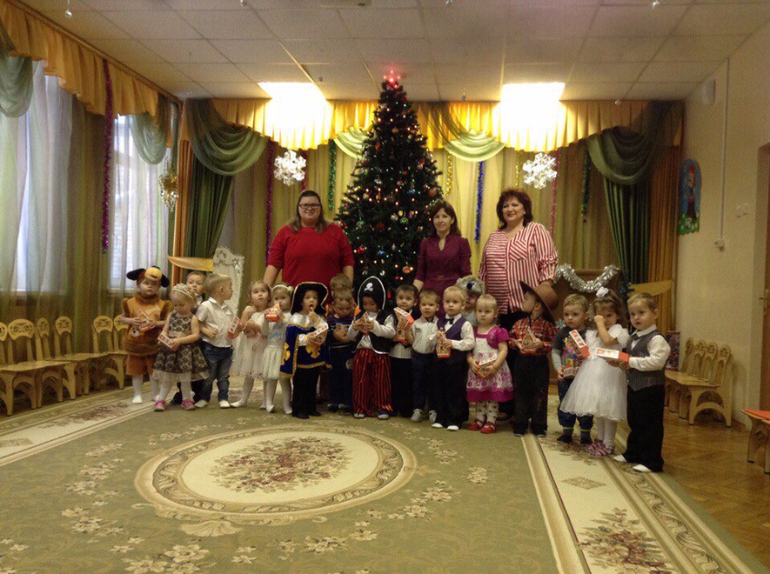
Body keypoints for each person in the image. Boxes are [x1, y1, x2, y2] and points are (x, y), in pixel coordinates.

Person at [479, 189, 557, 417]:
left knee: (526, 362)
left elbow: (548, 263)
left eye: (515, 204)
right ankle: (506, 406)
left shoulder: (536, 230)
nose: (510, 209)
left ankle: (527, 411)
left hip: (527, 308)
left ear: (525, 209)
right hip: (498, 309)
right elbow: (483, 270)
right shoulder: (494, 236)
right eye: (505, 206)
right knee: (504, 358)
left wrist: (542, 296)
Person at [561, 290, 630, 456]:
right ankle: (600, 439)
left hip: (610, 373)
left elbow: (607, 341)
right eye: (601, 316)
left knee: (609, 411)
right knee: (599, 410)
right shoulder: (592, 333)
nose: (605, 320)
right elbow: (589, 353)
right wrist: (579, 348)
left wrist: (599, 323)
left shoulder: (619, 331)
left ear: (617, 315)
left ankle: (609, 443)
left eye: (609, 315)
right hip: (592, 374)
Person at [614, 293, 671, 473]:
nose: (636, 317)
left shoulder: (656, 339)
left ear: (655, 313)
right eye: (632, 314)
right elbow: (631, 359)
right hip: (634, 386)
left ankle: (652, 461)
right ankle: (633, 453)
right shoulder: (634, 336)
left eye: (641, 312)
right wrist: (619, 361)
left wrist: (630, 361)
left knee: (650, 425)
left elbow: (656, 362)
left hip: (651, 388)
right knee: (635, 421)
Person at [264, 190, 354, 290]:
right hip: (293, 297)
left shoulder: (336, 232)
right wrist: (265, 292)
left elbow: (347, 263)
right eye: (305, 205)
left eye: (314, 205)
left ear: (320, 208)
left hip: (329, 297)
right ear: (298, 208)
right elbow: (274, 265)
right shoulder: (284, 233)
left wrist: (347, 291)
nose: (309, 208)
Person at [509, 282, 558, 437]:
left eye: (526, 299)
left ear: (537, 306)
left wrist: (542, 344)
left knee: (540, 394)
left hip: (539, 363)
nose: (522, 301)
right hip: (522, 362)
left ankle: (539, 425)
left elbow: (554, 344)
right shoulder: (519, 323)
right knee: (520, 392)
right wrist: (515, 343)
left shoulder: (547, 326)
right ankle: (520, 422)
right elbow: (510, 339)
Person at [151, 284, 208, 412]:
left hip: (185, 353)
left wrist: (179, 340)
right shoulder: (171, 316)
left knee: (185, 379)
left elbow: (195, 336)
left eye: (182, 305)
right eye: (175, 305)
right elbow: (165, 330)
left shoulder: (192, 319)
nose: (178, 308)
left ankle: (186, 399)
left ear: (191, 303)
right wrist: (163, 337)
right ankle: (161, 400)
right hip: (170, 352)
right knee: (167, 379)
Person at [120, 266, 172, 404]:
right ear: (138, 284)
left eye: (154, 284)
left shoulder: (163, 304)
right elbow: (122, 318)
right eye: (146, 283)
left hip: (153, 344)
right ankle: (137, 394)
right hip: (135, 344)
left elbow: (167, 322)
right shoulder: (129, 302)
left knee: (154, 372)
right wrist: (131, 320)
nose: (150, 286)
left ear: (159, 287)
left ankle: (155, 394)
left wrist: (156, 323)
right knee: (136, 372)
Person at [348, 277, 395, 420]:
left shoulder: (386, 316)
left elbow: (390, 332)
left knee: (381, 382)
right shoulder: (358, 316)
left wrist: (375, 327)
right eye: (364, 303)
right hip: (362, 353)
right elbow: (350, 336)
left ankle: (382, 407)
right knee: (360, 381)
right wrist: (354, 327)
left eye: (371, 303)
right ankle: (361, 407)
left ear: (379, 301)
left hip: (379, 354)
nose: (367, 307)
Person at [281, 282, 329, 419]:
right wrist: (306, 338)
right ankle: (299, 408)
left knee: (312, 382)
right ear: (301, 301)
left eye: (315, 297)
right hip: (301, 358)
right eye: (307, 297)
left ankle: (310, 407)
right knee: (301, 383)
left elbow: (324, 329)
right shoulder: (295, 318)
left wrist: (316, 320)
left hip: (314, 358)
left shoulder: (318, 317)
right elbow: (292, 339)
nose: (311, 300)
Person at [466, 295, 512, 435]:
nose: (483, 314)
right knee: (480, 395)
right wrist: (471, 361)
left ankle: (491, 420)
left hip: (493, 370)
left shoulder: (498, 331)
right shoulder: (473, 331)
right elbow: (469, 351)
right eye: (479, 311)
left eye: (487, 311)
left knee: (492, 396)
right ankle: (479, 418)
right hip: (478, 369)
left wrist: (495, 366)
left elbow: (503, 350)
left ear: (495, 313)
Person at [551, 294, 594, 445]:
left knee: (585, 405)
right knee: (565, 403)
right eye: (566, 314)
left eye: (575, 314)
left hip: (584, 378)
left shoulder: (590, 334)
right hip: (566, 378)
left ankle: (585, 433)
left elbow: (593, 354)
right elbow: (555, 351)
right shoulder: (562, 333)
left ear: (585, 315)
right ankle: (567, 432)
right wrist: (558, 369)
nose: (570, 318)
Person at [413, 201, 471, 304]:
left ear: (452, 219)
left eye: (445, 216)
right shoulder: (425, 243)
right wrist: (412, 296)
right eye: (436, 217)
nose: (440, 220)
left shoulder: (462, 242)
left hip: (453, 299)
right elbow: (420, 275)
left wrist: (468, 296)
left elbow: (466, 274)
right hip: (429, 299)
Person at [434, 286, 475, 431]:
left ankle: (455, 419)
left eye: (455, 302)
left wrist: (453, 343)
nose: (450, 305)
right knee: (440, 389)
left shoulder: (465, 324)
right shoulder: (438, 322)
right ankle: (441, 417)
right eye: (447, 302)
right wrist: (435, 337)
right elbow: (431, 340)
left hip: (457, 363)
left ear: (462, 305)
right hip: (440, 361)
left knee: (455, 390)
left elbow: (470, 343)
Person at [250, 283, 294, 414]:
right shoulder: (270, 313)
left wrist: (282, 317)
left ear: (290, 299)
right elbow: (264, 332)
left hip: (283, 351)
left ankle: (287, 405)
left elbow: (291, 330)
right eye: (276, 298)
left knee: (284, 380)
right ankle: (268, 402)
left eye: (283, 298)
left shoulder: (291, 315)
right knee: (271, 379)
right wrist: (265, 320)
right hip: (271, 350)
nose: (279, 301)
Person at [195, 273, 236, 409]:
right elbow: (196, 322)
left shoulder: (228, 308)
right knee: (209, 377)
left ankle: (223, 398)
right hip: (211, 347)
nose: (232, 290)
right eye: (230, 287)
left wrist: (237, 329)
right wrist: (206, 331)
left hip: (227, 347)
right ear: (221, 290)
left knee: (224, 377)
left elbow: (231, 326)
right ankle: (204, 398)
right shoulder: (206, 306)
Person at [230, 280, 271, 409]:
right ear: (250, 296)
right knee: (249, 375)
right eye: (256, 292)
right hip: (250, 347)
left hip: (263, 347)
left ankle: (266, 401)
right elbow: (242, 328)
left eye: (263, 291)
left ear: (269, 295)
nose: (260, 294)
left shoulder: (270, 312)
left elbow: (269, 332)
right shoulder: (249, 311)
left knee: (265, 375)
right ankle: (243, 399)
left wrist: (256, 327)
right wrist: (245, 316)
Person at [407, 289, 440, 423]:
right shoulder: (415, 323)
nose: (427, 307)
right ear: (419, 306)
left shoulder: (439, 323)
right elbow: (411, 341)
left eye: (431, 305)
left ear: (437, 307)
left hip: (432, 357)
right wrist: (406, 330)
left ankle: (433, 409)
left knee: (433, 384)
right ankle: (417, 409)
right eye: (424, 304)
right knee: (418, 383)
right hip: (418, 357)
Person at [389, 284, 419, 418]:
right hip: (393, 353)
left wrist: (410, 340)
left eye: (408, 299)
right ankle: (393, 406)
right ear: (396, 299)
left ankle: (406, 408)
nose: (404, 301)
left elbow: (419, 336)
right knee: (394, 381)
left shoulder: (417, 317)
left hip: (409, 355)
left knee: (407, 382)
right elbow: (387, 333)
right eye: (400, 298)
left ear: (415, 302)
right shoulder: (391, 315)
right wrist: (393, 337)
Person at [326, 288, 356, 414]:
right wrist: (333, 334)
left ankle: (347, 402)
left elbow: (356, 335)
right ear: (333, 306)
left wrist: (350, 338)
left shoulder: (352, 319)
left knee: (348, 377)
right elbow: (326, 335)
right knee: (334, 377)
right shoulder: (330, 320)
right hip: (334, 353)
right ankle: (334, 401)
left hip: (347, 353)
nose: (344, 311)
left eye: (347, 309)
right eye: (340, 308)